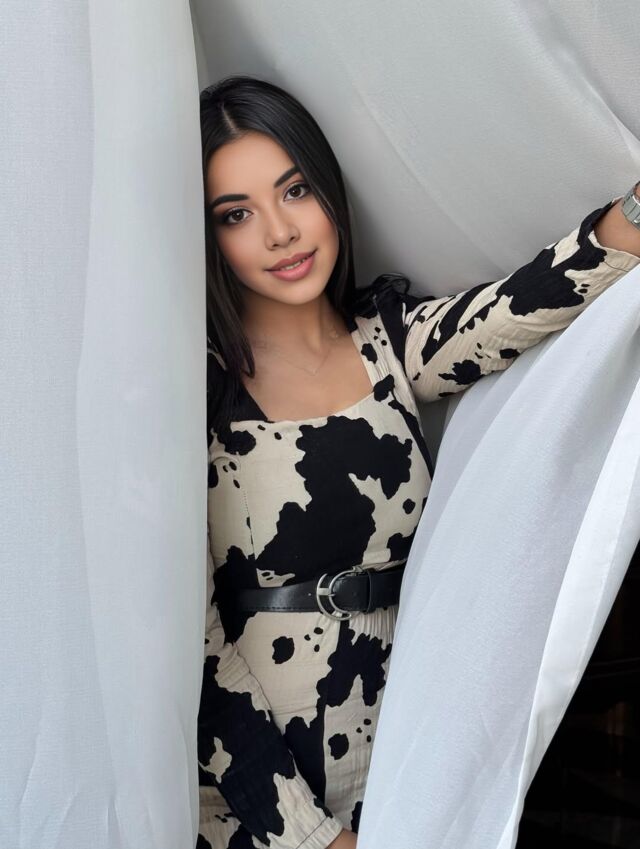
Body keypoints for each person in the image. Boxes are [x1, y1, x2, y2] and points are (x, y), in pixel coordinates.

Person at [196, 75, 640, 849]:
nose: (280, 232)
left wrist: (632, 213)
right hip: (264, 795)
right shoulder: (197, 394)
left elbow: (523, 303)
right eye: (237, 214)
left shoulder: (389, 342)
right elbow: (195, 657)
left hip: (410, 754)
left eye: (294, 191)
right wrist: (311, 836)